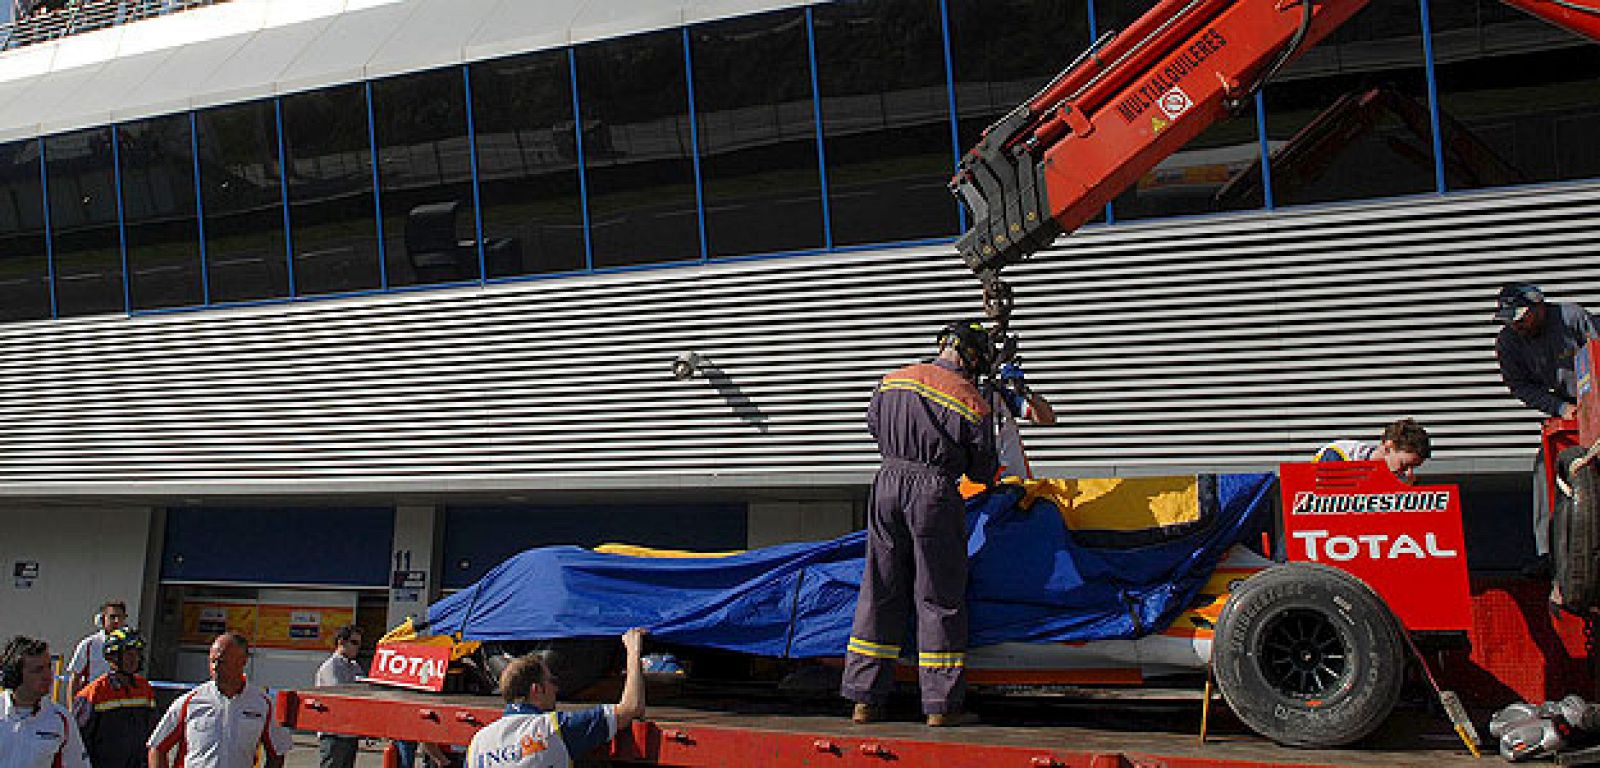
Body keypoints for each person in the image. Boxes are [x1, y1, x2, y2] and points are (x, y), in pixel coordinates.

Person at [843, 319, 999, 728]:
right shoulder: (969, 397)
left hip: (887, 482)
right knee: (938, 595)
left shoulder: (892, 380)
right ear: (972, 357)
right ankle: (941, 706)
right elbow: (984, 472)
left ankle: (864, 700)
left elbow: (873, 426)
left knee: (879, 589)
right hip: (933, 492)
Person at [1494, 283, 1599, 573]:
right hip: (1565, 406)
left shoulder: (1572, 317)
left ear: (1539, 306)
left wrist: (1592, 401)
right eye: (1511, 320)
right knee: (1544, 468)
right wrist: (1560, 408)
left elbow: (1597, 352)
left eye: (1521, 317)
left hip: (1595, 395)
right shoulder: (1508, 343)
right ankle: (1548, 554)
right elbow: (1520, 386)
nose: (1517, 325)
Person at [464, 628, 648, 768]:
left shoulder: (477, 744)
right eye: (551, 681)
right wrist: (633, 650)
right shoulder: (554, 729)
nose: (556, 688)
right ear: (536, 690)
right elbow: (631, 707)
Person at [147, 632, 293, 768]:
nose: (215, 667)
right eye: (212, 661)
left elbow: (278, 752)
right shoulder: (190, 701)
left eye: (221, 661)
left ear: (242, 661)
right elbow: (158, 747)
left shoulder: (263, 704)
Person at [1, 635, 90, 768]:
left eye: (49, 667)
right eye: (38, 670)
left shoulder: (61, 718)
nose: (48, 676)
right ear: (15, 674)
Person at [76, 627, 157, 768]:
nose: (134, 659)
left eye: (137, 653)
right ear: (112, 657)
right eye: (128, 654)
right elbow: (78, 741)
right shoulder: (93, 693)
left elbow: (153, 731)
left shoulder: (144, 688)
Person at [1313, 417, 1432, 483]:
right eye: (1404, 465)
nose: (1409, 473)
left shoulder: (1398, 477)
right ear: (1388, 446)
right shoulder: (1338, 456)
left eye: (1413, 467)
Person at [314, 625, 364, 768]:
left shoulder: (355, 667)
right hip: (333, 734)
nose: (358, 648)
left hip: (350, 733)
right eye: (354, 643)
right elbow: (341, 696)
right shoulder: (331, 667)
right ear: (341, 642)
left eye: (359, 644)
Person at [68, 599, 129, 701]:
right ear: (102, 619)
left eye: (120, 617)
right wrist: (72, 710)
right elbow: (75, 679)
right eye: (112, 617)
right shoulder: (88, 644)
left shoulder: (129, 646)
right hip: (92, 701)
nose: (117, 621)